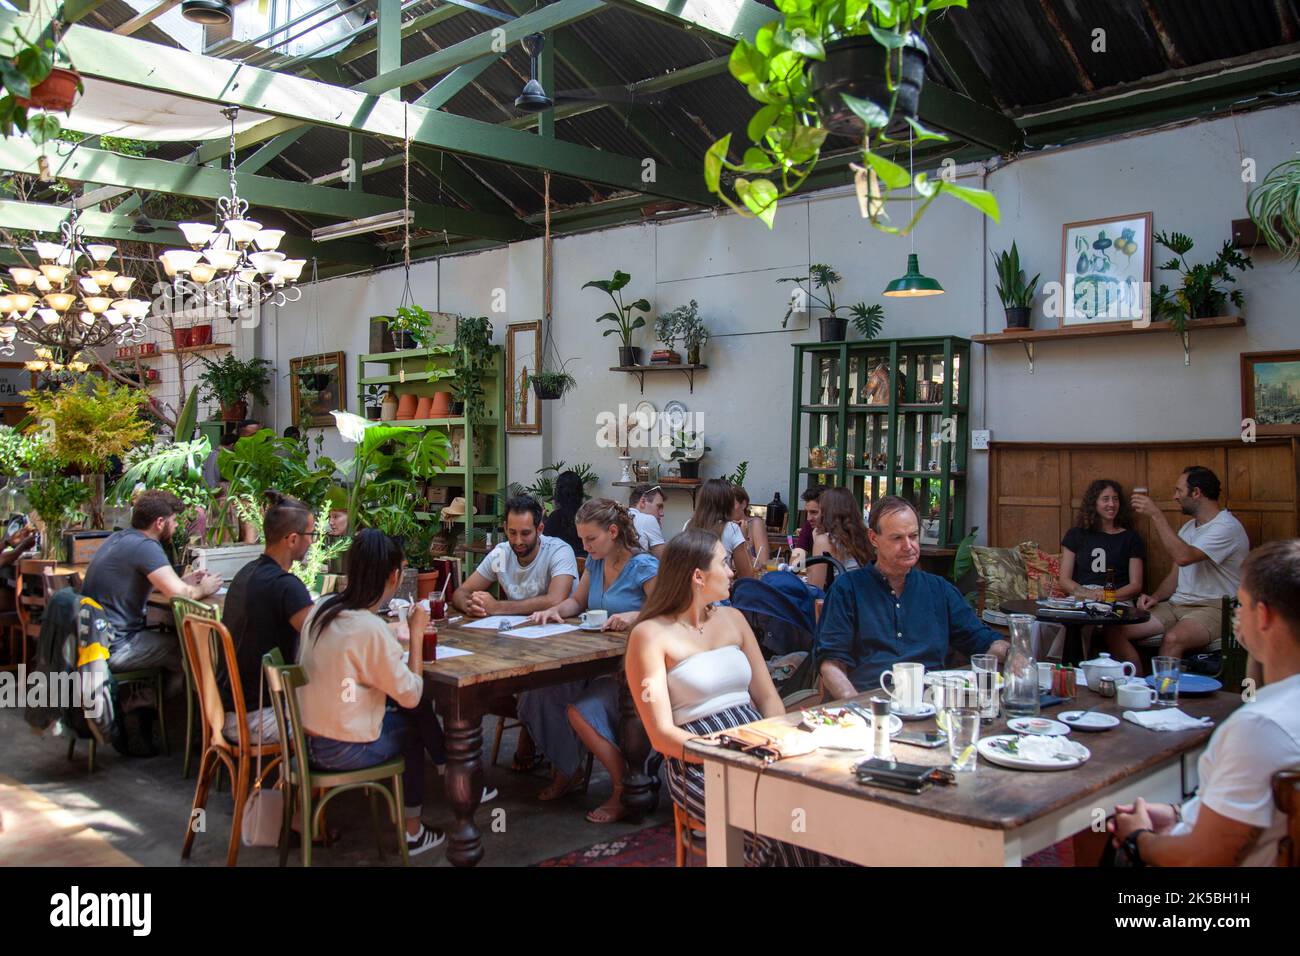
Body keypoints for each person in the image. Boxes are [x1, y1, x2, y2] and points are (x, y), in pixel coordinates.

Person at [625, 529, 842, 866]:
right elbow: (660, 734)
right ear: (698, 576)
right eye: (724, 563)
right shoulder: (650, 635)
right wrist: (725, 753)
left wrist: (778, 742)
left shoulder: (734, 618)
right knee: (781, 824)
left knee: (828, 809)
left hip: (757, 746)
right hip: (698, 763)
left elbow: (768, 696)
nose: (732, 571)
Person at [1107, 539, 1300, 866]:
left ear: (1263, 615)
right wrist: (1177, 813)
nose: (1237, 615)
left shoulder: (1258, 728)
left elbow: (1202, 857)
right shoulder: (1273, 711)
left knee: (1101, 831)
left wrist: (1138, 838)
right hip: (1216, 833)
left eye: (1241, 604)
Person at [297, 529, 446, 856]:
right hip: (338, 749)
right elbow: (412, 694)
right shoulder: (369, 628)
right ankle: (414, 831)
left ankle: (446, 764)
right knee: (412, 728)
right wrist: (417, 634)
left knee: (409, 714)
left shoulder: (322, 609)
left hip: (303, 741)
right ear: (394, 575)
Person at [520, 499, 658, 821]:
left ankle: (623, 788)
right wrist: (555, 610)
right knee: (537, 695)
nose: (585, 546)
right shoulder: (595, 563)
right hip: (592, 660)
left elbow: (666, 609)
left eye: (590, 539)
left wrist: (635, 615)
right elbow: (577, 601)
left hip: (628, 668)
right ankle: (569, 770)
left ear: (613, 532)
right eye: (581, 539)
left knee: (580, 711)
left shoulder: (644, 566)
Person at [816, 496, 1008, 698]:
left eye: (913, 536)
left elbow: (983, 642)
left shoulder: (939, 590)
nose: (908, 546)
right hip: (871, 701)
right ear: (874, 538)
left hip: (931, 705)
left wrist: (1015, 654)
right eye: (897, 538)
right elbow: (831, 664)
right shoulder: (848, 589)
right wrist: (858, 707)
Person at [80, 490, 223, 750]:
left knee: (175, 642)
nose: (177, 525)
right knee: (188, 650)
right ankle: (154, 710)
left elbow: (157, 583)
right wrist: (204, 587)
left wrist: (182, 582)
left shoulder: (121, 538)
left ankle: (145, 709)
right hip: (117, 646)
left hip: (95, 641)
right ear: (160, 522)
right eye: (174, 520)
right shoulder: (146, 547)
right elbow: (183, 596)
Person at [1105, 466, 1250, 671]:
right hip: (1177, 604)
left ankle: (1165, 698)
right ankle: (1137, 687)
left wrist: (1156, 515)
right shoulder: (1189, 528)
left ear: (1196, 493)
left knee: (1173, 639)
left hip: (1215, 607)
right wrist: (1155, 597)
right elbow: (1176, 574)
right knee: (1115, 630)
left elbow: (1184, 557)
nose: (1175, 496)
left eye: (1179, 491)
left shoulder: (1226, 527)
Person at [217, 492, 315, 744]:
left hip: (230, 709)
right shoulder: (285, 586)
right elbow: (322, 638)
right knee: (344, 713)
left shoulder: (245, 574)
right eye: (310, 535)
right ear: (292, 539)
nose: (312, 543)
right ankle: (314, 780)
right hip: (260, 718)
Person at [451, 495, 578, 617]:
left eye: (525, 533)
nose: (518, 541)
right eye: (512, 532)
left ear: (539, 529)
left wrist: (497, 607)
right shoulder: (500, 554)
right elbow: (461, 592)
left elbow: (556, 600)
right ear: (505, 528)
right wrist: (470, 606)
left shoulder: (559, 551)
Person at [1059, 479, 1145, 603]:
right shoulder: (1076, 534)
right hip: (1083, 595)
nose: (1112, 504)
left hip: (1116, 597)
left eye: (1115, 499)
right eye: (1105, 499)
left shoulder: (1131, 538)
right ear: (1094, 503)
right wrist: (1089, 594)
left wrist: (1107, 595)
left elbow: (1136, 585)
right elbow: (1064, 580)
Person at [805, 486, 873, 591]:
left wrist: (816, 539)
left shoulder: (824, 540)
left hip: (841, 602)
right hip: (864, 597)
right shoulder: (864, 535)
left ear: (826, 512)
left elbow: (815, 588)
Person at [685, 478, 755, 579]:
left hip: (693, 590)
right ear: (726, 503)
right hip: (719, 591)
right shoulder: (731, 529)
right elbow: (747, 575)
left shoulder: (688, 525)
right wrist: (745, 539)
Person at [541, 470, 586, 558]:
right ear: (580, 491)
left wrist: (541, 522)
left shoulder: (555, 517)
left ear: (558, 492)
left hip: (560, 562)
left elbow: (544, 544)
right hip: (586, 562)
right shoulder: (588, 514)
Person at [731, 486, 769, 570]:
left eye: (731, 504)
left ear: (743, 504)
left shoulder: (755, 523)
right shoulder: (723, 525)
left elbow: (763, 562)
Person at [626, 483, 666, 558]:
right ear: (643, 502)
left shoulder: (620, 515)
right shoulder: (648, 519)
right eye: (659, 507)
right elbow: (664, 559)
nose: (662, 513)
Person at [792, 485, 824, 554]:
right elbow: (798, 555)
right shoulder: (809, 525)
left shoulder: (838, 533)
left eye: (814, 512)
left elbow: (821, 563)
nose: (808, 518)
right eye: (807, 512)